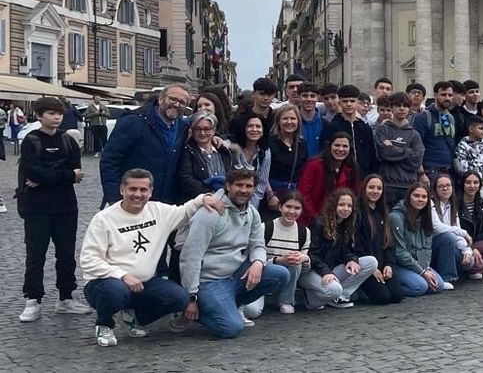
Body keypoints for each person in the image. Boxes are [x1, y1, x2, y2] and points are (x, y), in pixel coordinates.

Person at [80, 169, 223, 345]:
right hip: (105, 282)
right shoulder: (103, 219)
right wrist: (122, 275)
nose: (138, 194)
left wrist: (204, 198)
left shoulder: (158, 211)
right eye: (132, 189)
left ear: (150, 192)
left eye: (143, 190)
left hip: (144, 283)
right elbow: (89, 259)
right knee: (114, 292)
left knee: (179, 297)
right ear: (121, 190)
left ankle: (132, 316)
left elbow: (185, 211)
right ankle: (104, 325)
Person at [178, 169, 290, 339]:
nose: (244, 190)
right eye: (239, 185)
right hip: (209, 280)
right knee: (231, 328)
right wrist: (191, 297)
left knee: (280, 274)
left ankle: (231, 304)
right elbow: (191, 256)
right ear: (228, 186)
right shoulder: (210, 213)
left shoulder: (252, 212)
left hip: (236, 274)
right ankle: (192, 311)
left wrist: (258, 263)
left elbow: (258, 244)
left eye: (249, 186)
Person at [17, 97, 90, 323]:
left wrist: (52, 177)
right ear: (39, 116)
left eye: (59, 113)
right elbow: (33, 173)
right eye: (50, 113)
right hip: (36, 208)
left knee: (66, 255)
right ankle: (33, 300)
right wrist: (64, 176)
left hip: (66, 206)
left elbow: (77, 173)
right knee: (36, 255)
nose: (56, 117)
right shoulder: (31, 141)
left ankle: (66, 298)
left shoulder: (68, 141)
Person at [101, 84, 191, 205]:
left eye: (182, 102)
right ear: (161, 99)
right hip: (134, 198)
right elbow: (110, 160)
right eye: (173, 99)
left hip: (166, 203)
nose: (176, 104)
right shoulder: (134, 121)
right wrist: (114, 198)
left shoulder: (184, 128)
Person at [300, 188, 377, 309]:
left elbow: (346, 251)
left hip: (330, 270)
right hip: (312, 270)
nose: (346, 209)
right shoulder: (319, 223)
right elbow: (311, 254)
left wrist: (351, 260)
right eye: (341, 204)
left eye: (349, 205)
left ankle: (340, 297)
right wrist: (326, 272)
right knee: (327, 295)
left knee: (371, 262)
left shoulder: (347, 225)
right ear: (334, 205)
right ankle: (315, 293)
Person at [253, 190, 310, 316]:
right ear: (280, 207)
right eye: (288, 206)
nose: (292, 211)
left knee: (296, 262)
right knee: (252, 312)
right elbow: (253, 260)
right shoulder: (265, 228)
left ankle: (287, 301)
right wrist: (278, 260)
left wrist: (304, 258)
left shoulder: (304, 232)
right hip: (264, 273)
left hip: (291, 275)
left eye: (297, 208)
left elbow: (304, 269)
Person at [390, 184, 452, 296]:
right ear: (409, 197)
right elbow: (400, 252)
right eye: (416, 196)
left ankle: (418, 277)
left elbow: (426, 248)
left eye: (424, 197)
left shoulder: (425, 217)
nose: (420, 199)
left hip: (417, 263)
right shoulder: (396, 218)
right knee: (419, 287)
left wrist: (425, 268)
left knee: (438, 286)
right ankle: (391, 289)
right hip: (398, 264)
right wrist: (422, 272)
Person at [354, 176, 403, 305]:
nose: (375, 191)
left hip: (383, 264)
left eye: (379, 188)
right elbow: (356, 245)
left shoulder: (383, 212)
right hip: (366, 266)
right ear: (364, 188)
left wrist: (389, 265)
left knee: (397, 295)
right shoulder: (357, 213)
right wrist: (371, 269)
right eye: (371, 187)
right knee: (383, 298)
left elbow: (390, 243)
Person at [373, 92, 427, 207]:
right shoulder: (383, 129)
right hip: (388, 185)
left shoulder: (414, 134)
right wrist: (408, 151)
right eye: (398, 105)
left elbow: (416, 161)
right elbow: (384, 153)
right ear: (392, 107)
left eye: (406, 106)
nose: (402, 109)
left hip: (409, 186)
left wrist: (393, 148)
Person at [298, 132, 361, 227]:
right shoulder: (314, 165)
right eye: (337, 145)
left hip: (339, 222)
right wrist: (315, 217)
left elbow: (354, 194)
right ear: (330, 146)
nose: (340, 149)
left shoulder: (351, 169)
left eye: (345, 146)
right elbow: (303, 194)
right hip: (311, 220)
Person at [430, 173, 481, 280]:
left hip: (450, 243)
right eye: (441, 186)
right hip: (432, 245)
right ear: (435, 189)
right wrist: (463, 232)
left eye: (448, 185)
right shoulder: (430, 203)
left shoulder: (452, 205)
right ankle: (447, 277)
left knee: (470, 261)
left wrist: (466, 250)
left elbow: (456, 231)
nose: (445, 188)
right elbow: (436, 227)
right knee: (449, 236)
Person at [326, 85, 377, 176]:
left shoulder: (365, 128)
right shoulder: (332, 127)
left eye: (352, 101)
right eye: (345, 101)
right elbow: (326, 153)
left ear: (357, 102)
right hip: (339, 177)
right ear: (339, 102)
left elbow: (372, 154)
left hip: (363, 177)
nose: (349, 104)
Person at [267, 104, 308, 215]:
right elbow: (262, 172)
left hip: (293, 196)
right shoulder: (269, 142)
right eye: (285, 118)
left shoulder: (302, 144)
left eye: (293, 118)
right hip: (273, 195)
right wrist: (270, 195)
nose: (289, 122)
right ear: (278, 121)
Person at [231, 115, 271, 213]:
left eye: (258, 126)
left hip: (251, 203)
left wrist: (251, 207)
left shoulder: (265, 152)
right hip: (229, 199)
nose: (254, 129)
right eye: (250, 126)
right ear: (243, 128)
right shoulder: (231, 147)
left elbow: (261, 182)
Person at [455, 116, 483, 183]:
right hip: (470, 183)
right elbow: (463, 168)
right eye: (481, 128)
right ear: (471, 129)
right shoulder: (462, 146)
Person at [296, 83, 326, 156]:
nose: (309, 99)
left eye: (312, 96)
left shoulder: (325, 124)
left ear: (317, 98)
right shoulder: (292, 122)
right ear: (299, 97)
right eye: (305, 96)